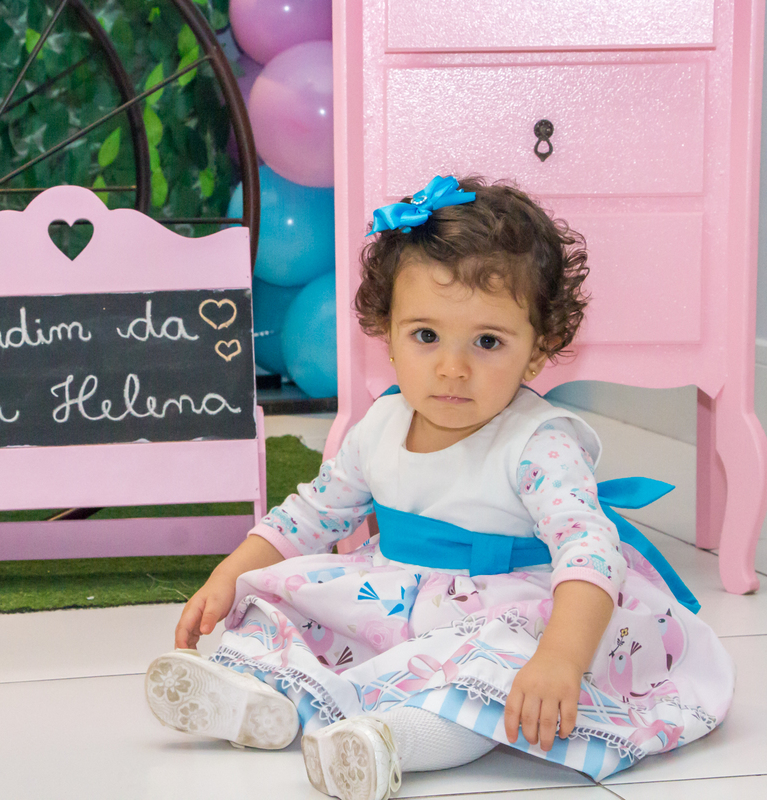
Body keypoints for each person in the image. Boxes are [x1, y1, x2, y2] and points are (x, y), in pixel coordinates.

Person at [144, 176, 734, 800]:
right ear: (389, 335)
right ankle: (259, 704)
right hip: (394, 596)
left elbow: (589, 551)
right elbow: (309, 516)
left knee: (489, 678)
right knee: (278, 612)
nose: (453, 368)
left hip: (510, 608)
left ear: (538, 351)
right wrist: (228, 577)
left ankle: (393, 741)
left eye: (487, 342)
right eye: (426, 336)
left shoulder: (537, 443)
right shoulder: (381, 425)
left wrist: (560, 656)